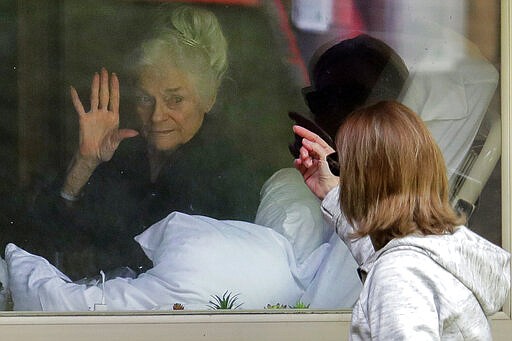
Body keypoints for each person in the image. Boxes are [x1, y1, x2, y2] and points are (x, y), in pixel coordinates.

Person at [15, 5, 244, 279]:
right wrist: (84, 164)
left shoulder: (226, 175)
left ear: (209, 98)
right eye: (146, 99)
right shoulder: (123, 153)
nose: (157, 115)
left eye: (176, 99)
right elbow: (37, 243)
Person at [293, 100, 510, 339]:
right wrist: (334, 193)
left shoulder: (398, 277)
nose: (343, 178)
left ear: (366, 182)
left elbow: (394, 268)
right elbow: (384, 253)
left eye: (343, 167)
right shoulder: (439, 249)